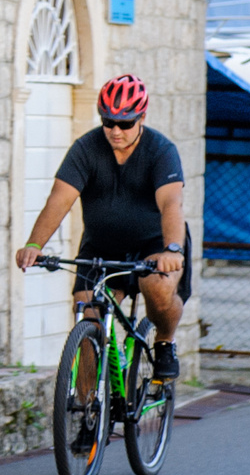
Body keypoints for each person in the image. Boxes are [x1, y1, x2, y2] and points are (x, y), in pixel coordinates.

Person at [13, 73, 188, 384]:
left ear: (142, 117)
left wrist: (172, 248)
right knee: (86, 316)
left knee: (158, 287)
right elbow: (59, 199)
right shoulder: (87, 148)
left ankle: (164, 341)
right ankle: (86, 420)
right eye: (108, 122)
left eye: (125, 123)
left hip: (155, 245)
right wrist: (34, 245)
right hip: (102, 246)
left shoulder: (161, 151)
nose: (115, 130)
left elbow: (171, 202)